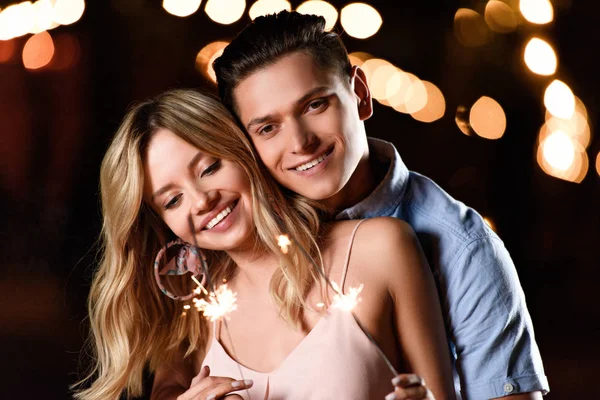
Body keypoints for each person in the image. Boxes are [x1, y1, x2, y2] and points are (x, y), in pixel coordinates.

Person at [213, 10, 549, 400]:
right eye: (268, 128)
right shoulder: (236, 236)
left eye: (315, 105)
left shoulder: (461, 247)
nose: (299, 142)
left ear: (360, 93)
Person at [72, 89, 456, 400]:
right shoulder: (192, 315)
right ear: (165, 224)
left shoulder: (381, 248)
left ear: (244, 151)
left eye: (209, 168)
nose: (201, 201)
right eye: (172, 200)